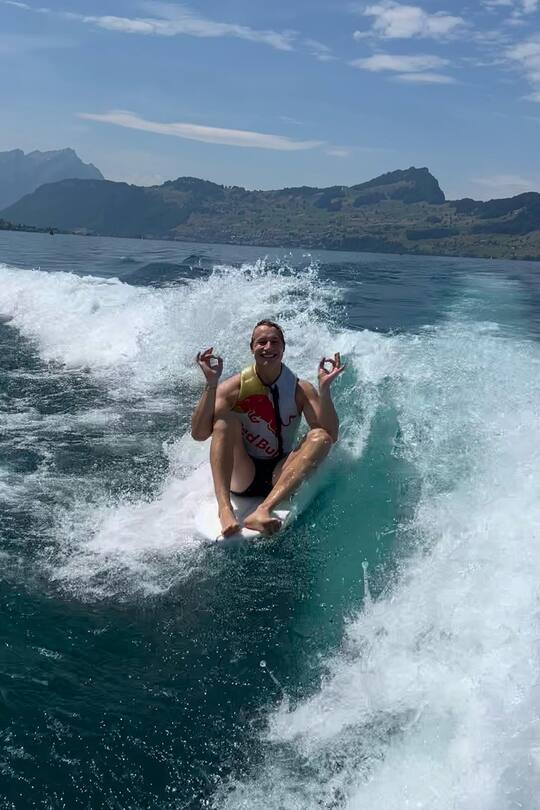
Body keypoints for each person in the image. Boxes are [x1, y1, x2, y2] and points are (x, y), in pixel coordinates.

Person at [191, 320, 344, 537]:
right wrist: (211, 383)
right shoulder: (235, 387)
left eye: (274, 342)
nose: (268, 347)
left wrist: (325, 390)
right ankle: (225, 510)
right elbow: (199, 434)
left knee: (320, 437)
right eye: (261, 342)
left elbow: (331, 434)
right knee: (224, 422)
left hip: (280, 473)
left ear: (283, 348)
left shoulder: (300, 389)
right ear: (252, 348)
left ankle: (262, 510)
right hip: (243, 473)